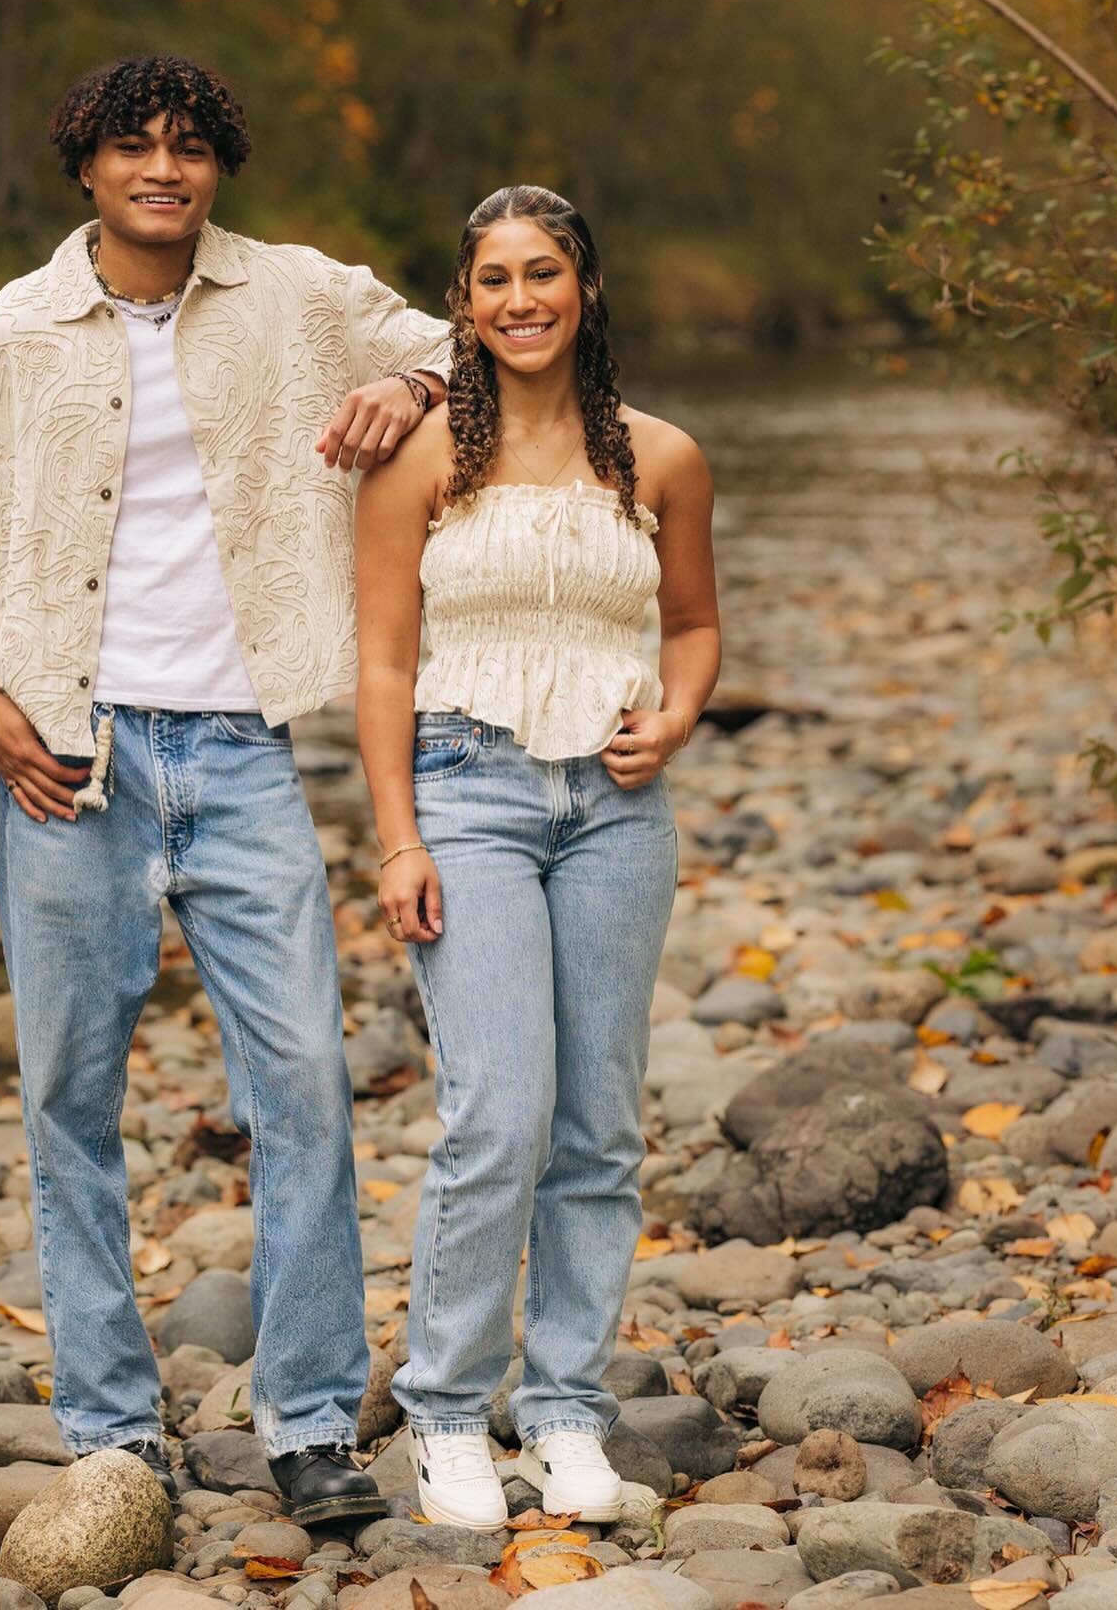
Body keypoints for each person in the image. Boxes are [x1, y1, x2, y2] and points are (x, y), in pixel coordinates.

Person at [0, 53, 451, 1524]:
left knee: (306, 1086)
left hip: (244, 749)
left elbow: (464, 343)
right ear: (86, 167)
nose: (163, 170)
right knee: (70, 1099)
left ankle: (311, 1422)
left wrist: (400, 379)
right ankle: (114, 1430)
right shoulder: (4, 337)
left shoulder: (302, 296)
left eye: (189, 147)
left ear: (218, 166)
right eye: (134, 147)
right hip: (69, 760)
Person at [354, 184, 720, 1531]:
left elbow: (692, 627)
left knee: (598, 1128)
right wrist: (395, 836)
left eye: (544, 272)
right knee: (496, 1113)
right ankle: (447, 1411)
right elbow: (384, 661)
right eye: (494, 277)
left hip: (618, 814)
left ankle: (565, 1410)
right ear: (464, 302)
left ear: (587, 287)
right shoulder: (418, 465)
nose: (520, 298)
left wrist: (675, 717)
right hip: (467, 793)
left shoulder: (663, 459)